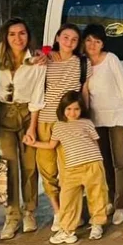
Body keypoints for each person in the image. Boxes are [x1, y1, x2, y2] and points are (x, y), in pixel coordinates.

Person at [24, 90, 108, 244]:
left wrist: (99, 161)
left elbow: (95, 143)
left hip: (92, 165)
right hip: (71, 169)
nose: (72, 113)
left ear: (81, 109)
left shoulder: (87, 123)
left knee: (97, 195)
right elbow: (51, 145)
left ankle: (97, 224)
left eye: (76, 109)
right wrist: (34, 143)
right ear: (62, 109)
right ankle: (67, 230)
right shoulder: (58, 126)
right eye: (68, 109)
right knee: (68, 199)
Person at [36, 24, 92, 232]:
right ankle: (58, 212)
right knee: (48, 170)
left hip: (70, 123)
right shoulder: (45, 60)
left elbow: (84, 93)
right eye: (66, 37)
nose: (69, 42)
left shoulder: (83, 63)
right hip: (45, 120)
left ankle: (71, 213)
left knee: (71, 170)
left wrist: (85, 120)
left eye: (74, 39)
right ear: (57, 38)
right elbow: (36, 91)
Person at [0, 18, 46, 240]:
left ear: (28, 35)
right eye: (12, 34)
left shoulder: (37, 62)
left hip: (27, 114)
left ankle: (29, 212)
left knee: (29, 166)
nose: (18, 38)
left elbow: (38, 96)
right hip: (2, 114)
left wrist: (32, 127)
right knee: (8, 166)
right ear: (6, 37)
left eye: (22, 33)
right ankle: (11, 215)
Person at [82, 24, 123, 225]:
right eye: (89, 40)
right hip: (96, 120)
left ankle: (121, 205)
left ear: (103, 43)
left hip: (117, 117)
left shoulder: (111, 59)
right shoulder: (83, 63)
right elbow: (84, 94)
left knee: (119, 163)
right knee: (104, 163)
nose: (93, 45)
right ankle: (112, 199)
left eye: (97, 41)